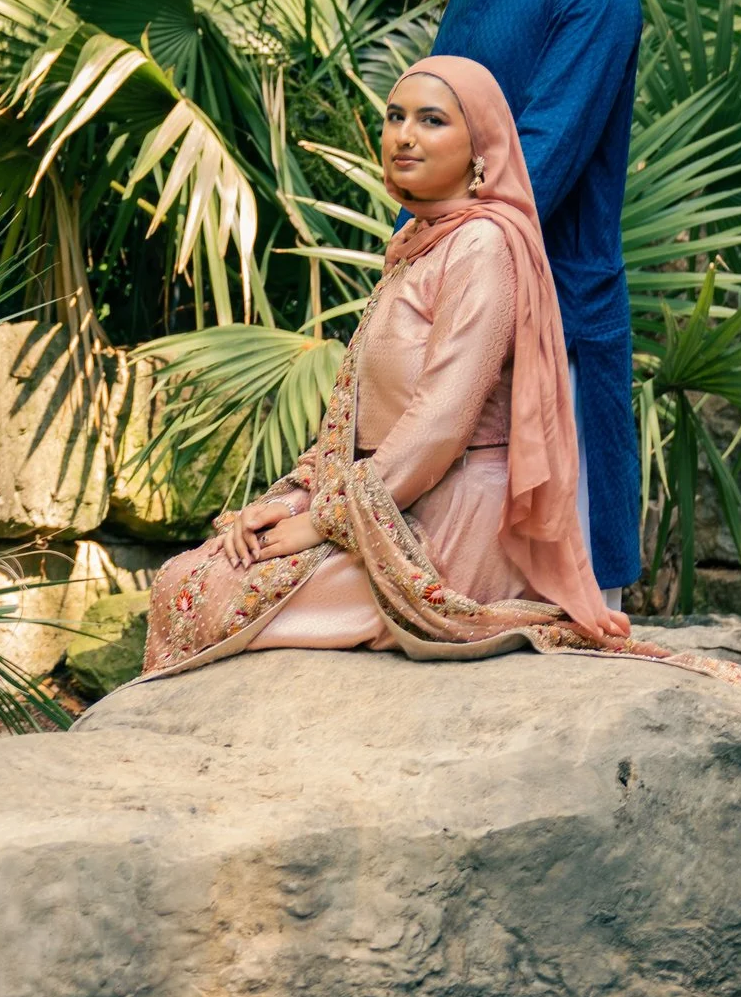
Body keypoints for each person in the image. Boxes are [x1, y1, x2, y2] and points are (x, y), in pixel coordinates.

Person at [139, 54, 630, 675]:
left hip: (453, 519)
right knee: (205, 569)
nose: (404, 134)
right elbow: (363, 418)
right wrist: (293, 503)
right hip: (392, 502)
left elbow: (441, 421)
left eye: (431, 120)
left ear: (480, 148)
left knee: (203, 592)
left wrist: (323, 520)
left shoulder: (482, 244)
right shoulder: (419, 245)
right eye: (395, 116)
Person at [434, 0, 644, 596]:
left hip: (561, 314)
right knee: (473, 583)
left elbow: (540, 160)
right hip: (466, 311)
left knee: (582, 594)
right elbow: (437, 145)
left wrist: (440, 247)